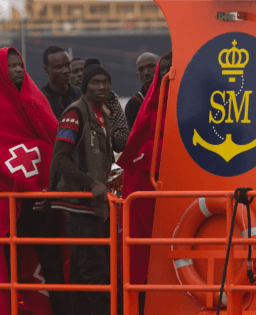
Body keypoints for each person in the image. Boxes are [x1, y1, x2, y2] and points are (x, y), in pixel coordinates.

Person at [0, 47, 70, 315]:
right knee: (7, 266)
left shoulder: (35, 99)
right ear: (0, 69)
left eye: (19, 65)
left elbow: (56, 141)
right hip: (9, 208)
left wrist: (48, 188)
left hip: (42, 201)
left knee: (53, 264)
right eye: (11, 66)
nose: (17, 70)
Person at [50, 58, 113, 315]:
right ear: (85, 86)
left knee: (79, 273)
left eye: (106, 82)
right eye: (95, 82)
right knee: (96, 274)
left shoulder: (104, 114)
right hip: (80, 208)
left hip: (94, 207)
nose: (102, 87)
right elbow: (60, 157)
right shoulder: (76, 113)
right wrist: (91, 183)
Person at [117, 52, 172, 314]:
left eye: (154, 67)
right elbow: (138, 140)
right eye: (144, 69)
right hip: (150, 182)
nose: (151, 72)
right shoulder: (136, 104)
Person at [71, 58, 129, 153]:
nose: (80, 74)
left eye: (83, 70)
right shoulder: (68, 104)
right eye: (75, 71)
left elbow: (123, 140)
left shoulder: (110, 99)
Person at [41, 46, 82, 119]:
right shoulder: (40, 100)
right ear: (46, 69)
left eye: (67, 65)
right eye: (58, 67)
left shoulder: (82, 96)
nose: (65, 71)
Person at [125, 52, 159, 129]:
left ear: (162, 68)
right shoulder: (134, 104)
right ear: (138, 75)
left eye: (151, 66)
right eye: (141, 69)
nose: (146, 73)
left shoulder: (176, 94)